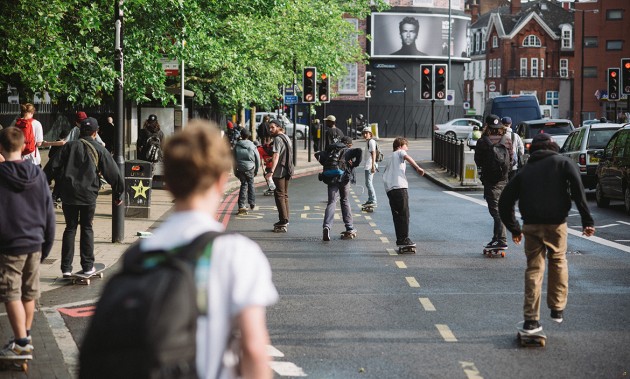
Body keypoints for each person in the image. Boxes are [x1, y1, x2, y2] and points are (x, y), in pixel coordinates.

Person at [139, 120, 278, 378]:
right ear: (221, 179)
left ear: (168, 181)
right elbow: (254, 349)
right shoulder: (236, 254)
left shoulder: (141, 252)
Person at [498, 133, 595, 333]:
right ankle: (557, 308)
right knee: (558, 260)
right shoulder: (564, 163)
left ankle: (531, 320)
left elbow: (505, 201)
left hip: (531, 226)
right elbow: (579, 192)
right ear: (552, 146)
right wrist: (587, 221)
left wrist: (514, 228)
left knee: (534, 270)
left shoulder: (525, 170)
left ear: (533, 149)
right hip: (556, 224)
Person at [0, 127, 55, 360]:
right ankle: (26, 336)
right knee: (29, 291)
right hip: (35, 242)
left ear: (1, 148)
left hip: (9, 244)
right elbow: (48, 212)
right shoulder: (37, 174)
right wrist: (47, 245)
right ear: (24, 146)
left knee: (10, 291)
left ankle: (21, 342)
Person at [48, 117, 124, 277]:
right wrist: (118, 194)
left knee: (70, 228)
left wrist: (44, 187)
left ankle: (66, 268)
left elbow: (51, 167)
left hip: (68, 194)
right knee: (87, 227)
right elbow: (114, 174)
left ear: (80, 130)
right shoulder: (99, 149)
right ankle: (88, 265)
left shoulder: (68, 146)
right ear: (95, 133)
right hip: (88, 194)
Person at [474, 114, 513, 251]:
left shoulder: (483, 141)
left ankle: (501, 240)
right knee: (500, 209)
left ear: (487, 126)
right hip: (504, 180)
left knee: (496, 211)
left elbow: (478, 160)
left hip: (490, 180)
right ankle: (496, 238)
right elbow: (512, 159)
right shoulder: (507, 140)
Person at [316, 136, 362, 241]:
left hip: (331, 179)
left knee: (331, 202)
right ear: (348, 144)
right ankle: (349, 227)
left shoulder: (331, 150)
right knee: (344, 200)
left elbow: (318, 155)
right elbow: (359, 151)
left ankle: (327, 226)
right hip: (344, 179)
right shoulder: (347, 151)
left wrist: (327, 165)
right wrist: (355, 164)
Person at [382, 137, 425, 248]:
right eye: (406, 145)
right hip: (399, 187)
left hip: (390, 189)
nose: (407, 148)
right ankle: (404, 239)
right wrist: (417, 168)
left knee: (397, 215)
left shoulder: (390, 157)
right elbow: (407, 157)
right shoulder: (400, 152)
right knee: (404, 215)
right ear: (400, 146)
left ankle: (400, 239)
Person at [264, 119, 293, 230]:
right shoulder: (286, 137)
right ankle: (286, 218)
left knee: (279, 195)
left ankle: (283, 220)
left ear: (279, 127)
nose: (270, 129)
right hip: (288, 169)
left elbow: (276, 155)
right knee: (284, 195)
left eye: (272, 127)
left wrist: (271, 171)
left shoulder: (277, 139)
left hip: (280, 171)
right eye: (270, 127)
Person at [233, 128, 260, 214]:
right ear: (249, 136)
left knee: (243, 185)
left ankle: (241, 205)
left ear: (241, 135)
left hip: (240, 168)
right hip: (250, 167)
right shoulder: (252, 145)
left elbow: (233, 159)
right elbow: (257, 159)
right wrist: (256, 170)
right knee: (251, 184)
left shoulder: (237, 145)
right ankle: (252, 203)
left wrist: (235, 171)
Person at [361, 128, 378, 207]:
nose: (365, 135)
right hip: (368, 165)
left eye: (366, 133)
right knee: (367, 183)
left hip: (370, 165)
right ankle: (370, 199)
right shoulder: (368, 142)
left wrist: (373, 166)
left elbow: (373, 153)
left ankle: (373, 200)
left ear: (370, 134)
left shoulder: (371, 141)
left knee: (369, 183)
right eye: (363, 133)